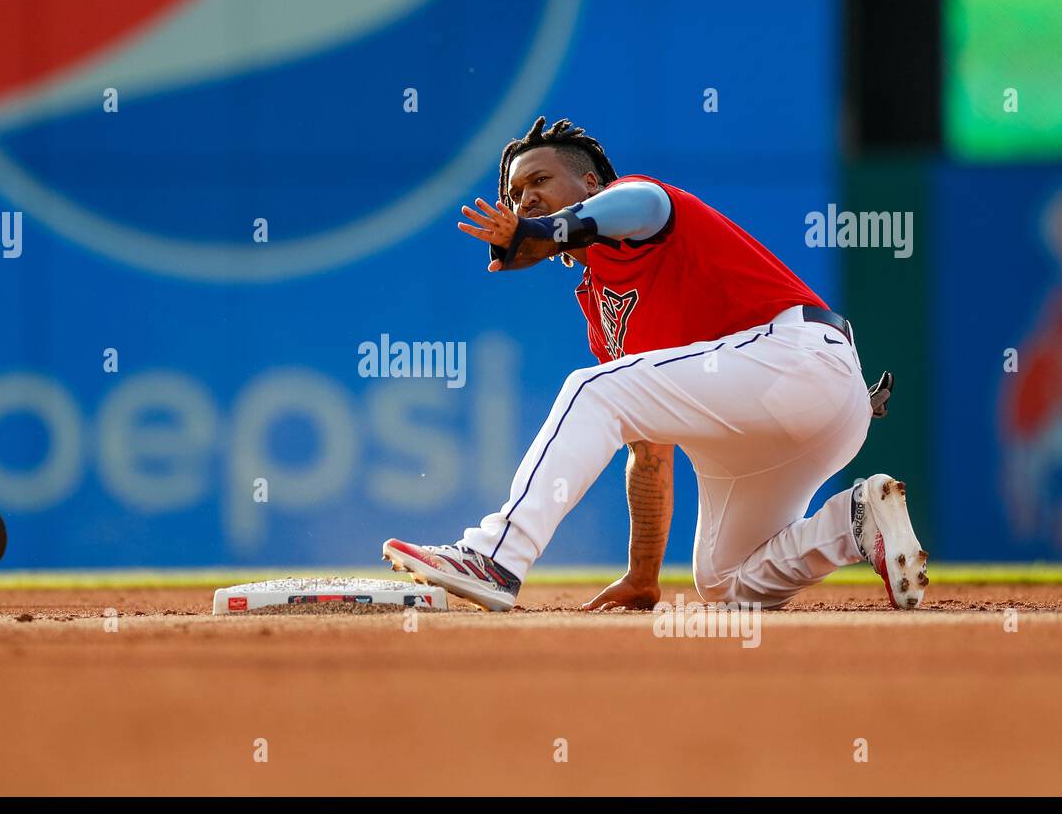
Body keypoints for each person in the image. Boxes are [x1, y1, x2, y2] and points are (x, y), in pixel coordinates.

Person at [383, 117, 926, 612]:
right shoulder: (604, 315)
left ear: (590, 184)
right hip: (775, 420)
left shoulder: (635, 202)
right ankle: (855, 523)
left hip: (800, 362)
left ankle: (494, 558)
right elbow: (649, 455)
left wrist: (537, 234)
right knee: (723, 581)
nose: (525, 200)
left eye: (540, 181)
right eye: (515, 194)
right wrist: (643, 574)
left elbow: (637, 207)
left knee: (589, 389)